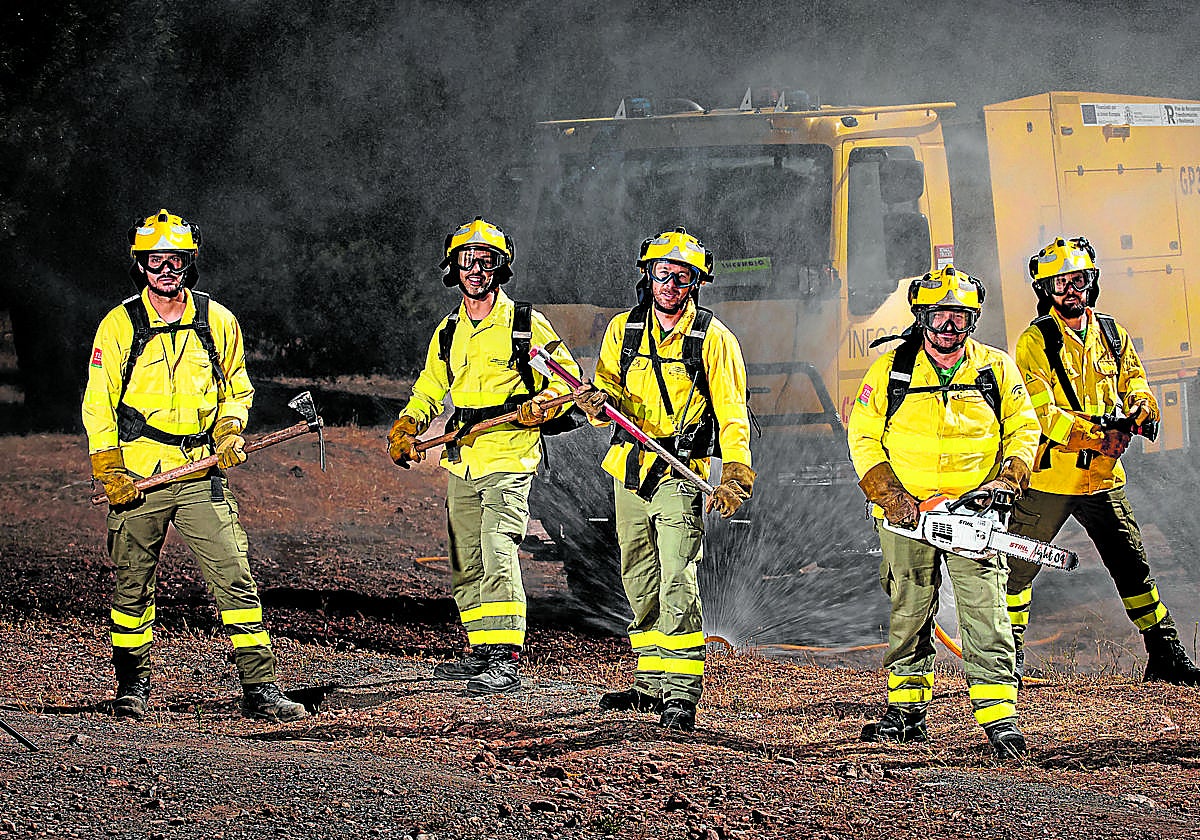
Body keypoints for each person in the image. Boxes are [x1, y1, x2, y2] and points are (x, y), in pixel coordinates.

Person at [83, 209, 307, 722]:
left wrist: (229, 430)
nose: (166, 270)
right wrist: (109, 470)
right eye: (156, 261)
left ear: (190, 262)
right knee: (132, 584)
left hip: (200, 469)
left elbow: (237, 387)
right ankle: (132, 687)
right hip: (139, 475)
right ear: (141, 265)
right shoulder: (119, 325)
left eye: (176, 260)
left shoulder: (217, 320)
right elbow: (98, 402)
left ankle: (260, 688)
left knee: (235, 577)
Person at [847, 265, 1040, 759]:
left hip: (975, 514)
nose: (949, 326)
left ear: (973, 320)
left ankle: (1000, 720)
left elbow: (1024, 427)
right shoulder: (891, 371)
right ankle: (906, 712)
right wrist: (892, 498)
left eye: (960, 316)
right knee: (909, 609)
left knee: (986, 612)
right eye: (939, 316)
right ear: (921, 316)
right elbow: (863, 437)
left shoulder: (994, 368)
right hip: (907, 515)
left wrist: (1008, 480)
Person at [387, 217, 583, 695]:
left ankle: (506, 658)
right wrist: (408, 425)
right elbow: (430, 388)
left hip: (509, 456)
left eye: (486, 261)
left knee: (498, 548)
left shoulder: (525, 325)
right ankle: (481, 649)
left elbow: (570, 380)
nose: (476, 270)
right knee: (466, 559)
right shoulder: (449, 330)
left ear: (501, 268)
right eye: (467, 261)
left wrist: (542, 404)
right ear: (453, 268)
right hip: (463, 458)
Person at [571, 228, 754, 733]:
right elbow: (606, 395)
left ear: (696, 282)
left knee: (678, 579)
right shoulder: (623, 330)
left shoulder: (714, 339)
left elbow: (733, 414)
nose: (670, 284)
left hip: (680, 472)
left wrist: (736, 474)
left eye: (681, 277)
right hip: (629, 469)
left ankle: (681, 693)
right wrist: (594, 405)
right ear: (647, 276)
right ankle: (650, 684)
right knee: (638, 575)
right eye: (662, 273)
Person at [1005, 236, 1200, 686]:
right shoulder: (1035, 341)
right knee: (1015, 573)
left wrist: (1143, 408)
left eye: (1078, 280)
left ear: (1091, 282)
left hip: (1102, 480)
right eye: (1060, 284)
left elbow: (1135, 381)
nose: (1070, 291)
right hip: (1050, 481)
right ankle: (1006, 664)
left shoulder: (1112, 333)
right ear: (1045, 290)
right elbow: (1041, 413)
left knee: (1133, 566)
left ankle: (1166, 656)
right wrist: (1100, 436)